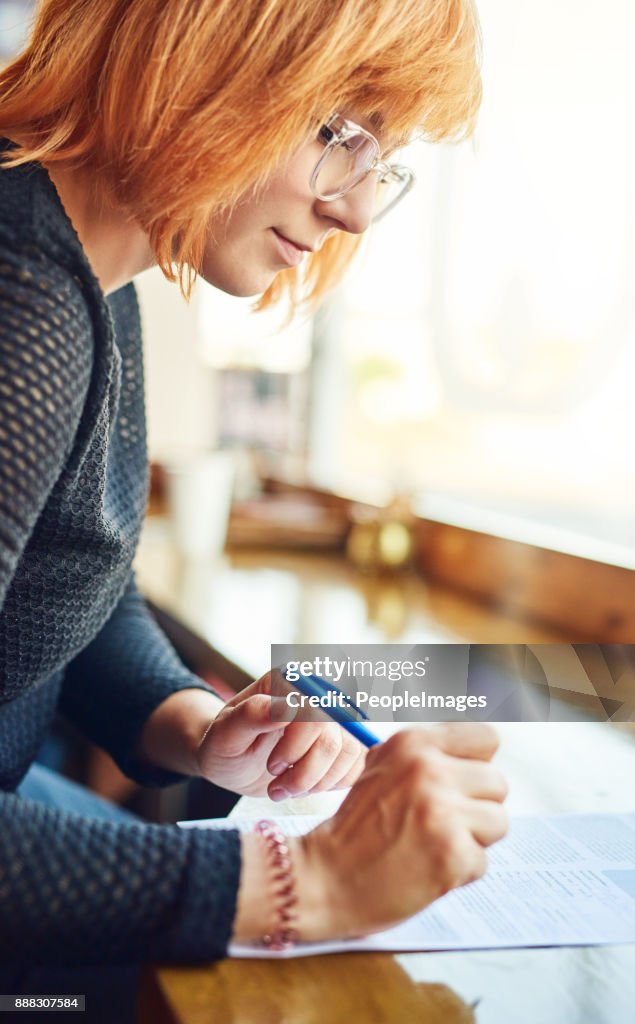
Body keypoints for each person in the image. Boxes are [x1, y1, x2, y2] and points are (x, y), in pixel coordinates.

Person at [0, 0, 506, 989]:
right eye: (335, 132)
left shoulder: (90, 272)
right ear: (194, 54)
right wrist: (302, 877)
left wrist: (200, 725)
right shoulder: (21, 301)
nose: (354, 209)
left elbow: (65, 591)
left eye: (382, 161)